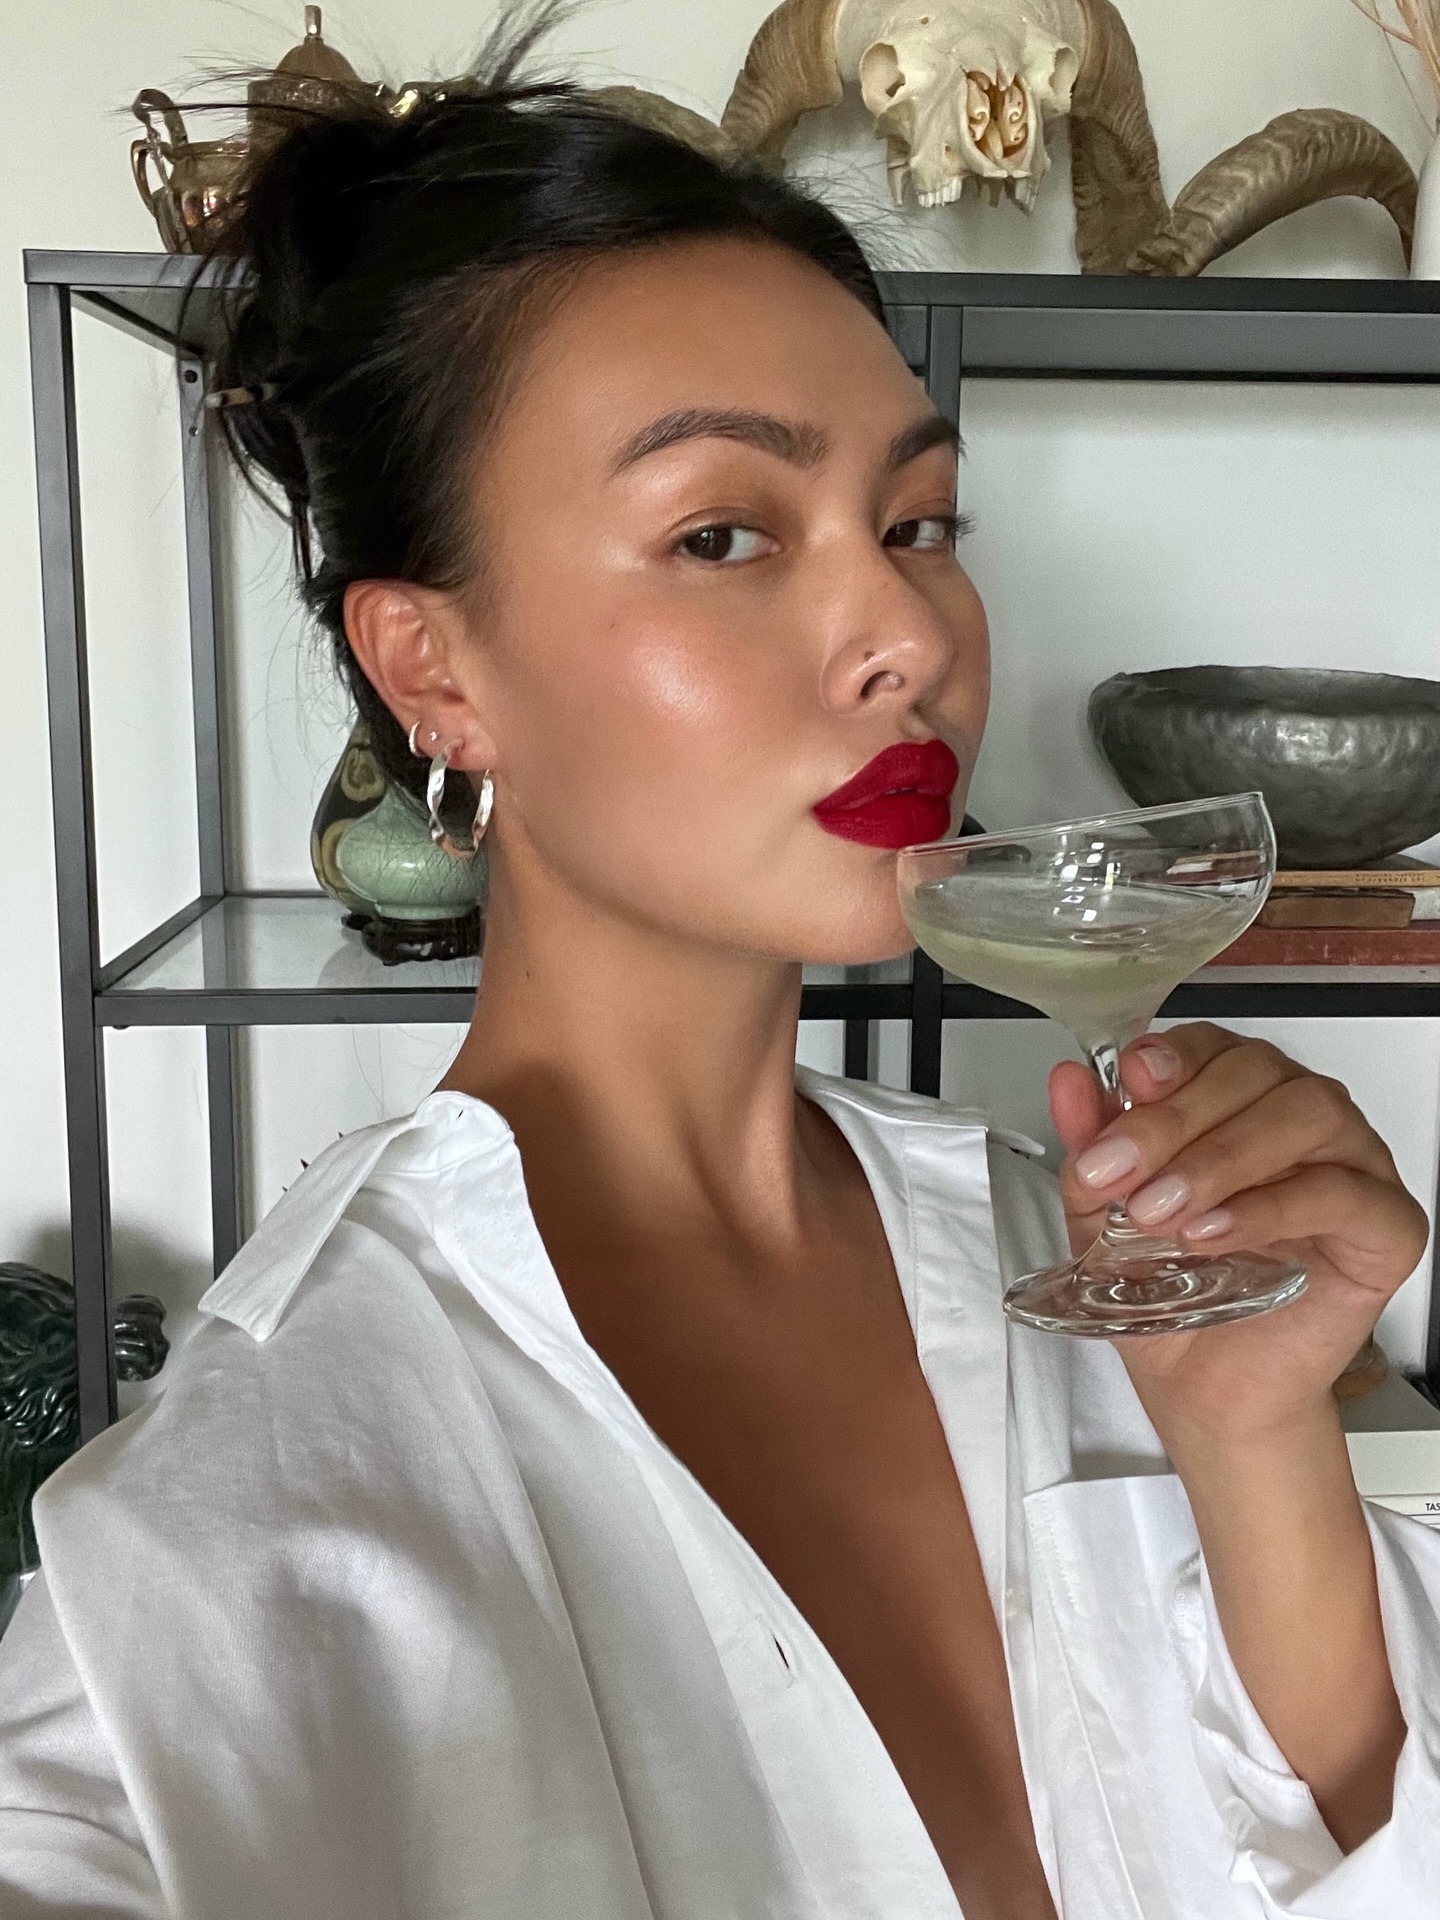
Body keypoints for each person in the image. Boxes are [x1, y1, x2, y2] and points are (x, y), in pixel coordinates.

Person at [3, 17, 1438, 1919]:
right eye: (724, 531)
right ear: (437, 667)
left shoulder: (1075, 1248)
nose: (903, 635)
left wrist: (1263, 1444)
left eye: (919, 523)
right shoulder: (239, 1521)